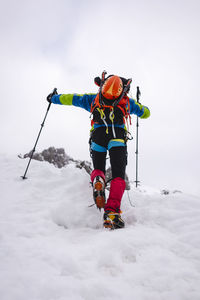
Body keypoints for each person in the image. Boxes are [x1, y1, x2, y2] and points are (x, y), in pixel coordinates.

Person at [47, 72, 150, 229]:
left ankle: (98, 180)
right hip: (117, 139)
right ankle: (112, 214)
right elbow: (146, 113)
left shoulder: (92, 99)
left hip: (97, 138)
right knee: (118, 176)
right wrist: (141, 107)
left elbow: (71, 99)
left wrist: (53, 98)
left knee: (99, 169)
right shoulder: (127, 102)